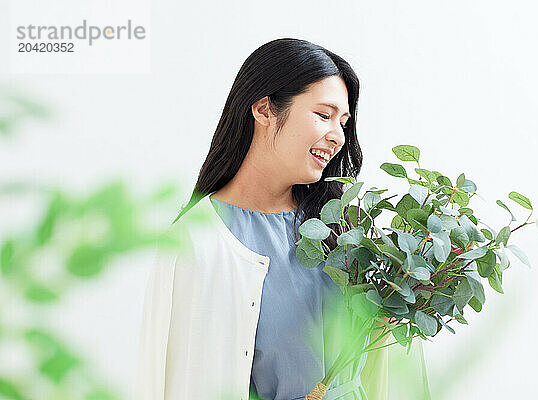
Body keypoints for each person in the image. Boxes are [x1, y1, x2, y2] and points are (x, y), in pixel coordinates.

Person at [134, 38, 429, 400]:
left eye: (344, 121)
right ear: (264, 109)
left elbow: (382, 361)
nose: (337, 136)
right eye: (324, 114)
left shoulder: (341, 228)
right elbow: (169, 380)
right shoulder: (196, 241)